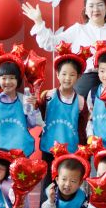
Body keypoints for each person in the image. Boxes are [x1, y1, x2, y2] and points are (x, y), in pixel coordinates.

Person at [22, 0, 106, 99]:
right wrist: (38, 21)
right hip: (85, 84)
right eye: (91, 6)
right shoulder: (78, 30)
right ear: (85, 10)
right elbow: (51, 43)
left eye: (100, 5)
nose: (96, 9)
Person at [38, 41, 89, 197]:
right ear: (57, 74)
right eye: (64, 74)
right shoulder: (48, 96)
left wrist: (83, 150)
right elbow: (38, 117)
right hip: (49, 148)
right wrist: (34, 104)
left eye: (72, 75)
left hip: (70, 149)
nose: (67, 78)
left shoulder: (80, 101)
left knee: (67, 184)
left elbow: (82, 128)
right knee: (48, 183)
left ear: (78, 77)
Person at [0, 44, 43, 157]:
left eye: (12, 78)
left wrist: (33, 108)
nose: (8, 82)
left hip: (21, 151)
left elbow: (32, 124)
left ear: (18, 80)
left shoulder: (24, 99)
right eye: (4, 78)